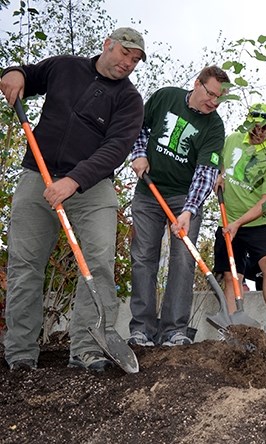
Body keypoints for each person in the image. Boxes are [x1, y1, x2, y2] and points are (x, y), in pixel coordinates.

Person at [1, 27, 146, 371]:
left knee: (98, 262)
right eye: (125, 53)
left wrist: (74, 180)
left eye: (136, 59)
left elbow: (116, 149)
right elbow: (28, 75)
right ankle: (20, 352)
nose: (129, 62)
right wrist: (13, 74)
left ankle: (87, 348)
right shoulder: (64, 67)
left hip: (91, 187)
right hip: (38, 177)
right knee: (24, 265)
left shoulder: (129, 100)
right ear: (107, 45)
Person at [127, 65, 228, 347]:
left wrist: (188, 210)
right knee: (144, 256)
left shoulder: (214, 126)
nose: (213, 102)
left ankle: (173, 330)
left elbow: (206, 172)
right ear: (196, 84)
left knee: (183, 260)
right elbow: (138, 127)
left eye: (219, 99)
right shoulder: (165, 97)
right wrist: (138, 154)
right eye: (210, 94)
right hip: (149, 192)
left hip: (183, 198)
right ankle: (142, 329)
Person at [213, 103, 266, 340]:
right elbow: (218, 160)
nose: (258, 131)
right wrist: (218, 173)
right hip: (228, 219)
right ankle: (232, 327)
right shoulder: (233, 139)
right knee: (231, 273)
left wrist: (239, 224)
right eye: (254, 126)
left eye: (264, 127)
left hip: (259, 222)